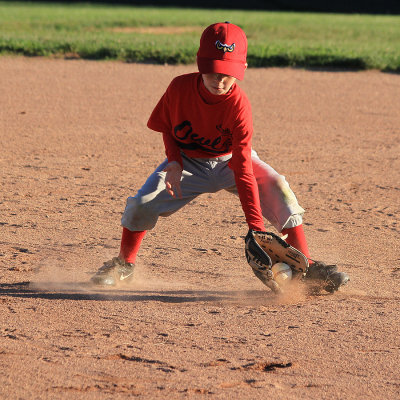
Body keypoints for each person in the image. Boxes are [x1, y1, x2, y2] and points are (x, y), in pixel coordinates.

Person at [90, 22, 349, 292]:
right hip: (188, 163)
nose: (220, 80)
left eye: (228, 73)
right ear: (200, 64)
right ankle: (124, 264)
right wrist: (175, 162)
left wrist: (256, 230)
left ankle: (307, 265)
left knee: (278, 186)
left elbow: (243, 167)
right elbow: (167, 126)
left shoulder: (239, 106)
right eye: (213, 71)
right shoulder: (179, 88)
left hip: (230, 162)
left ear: (242, 70)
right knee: (141, 204)